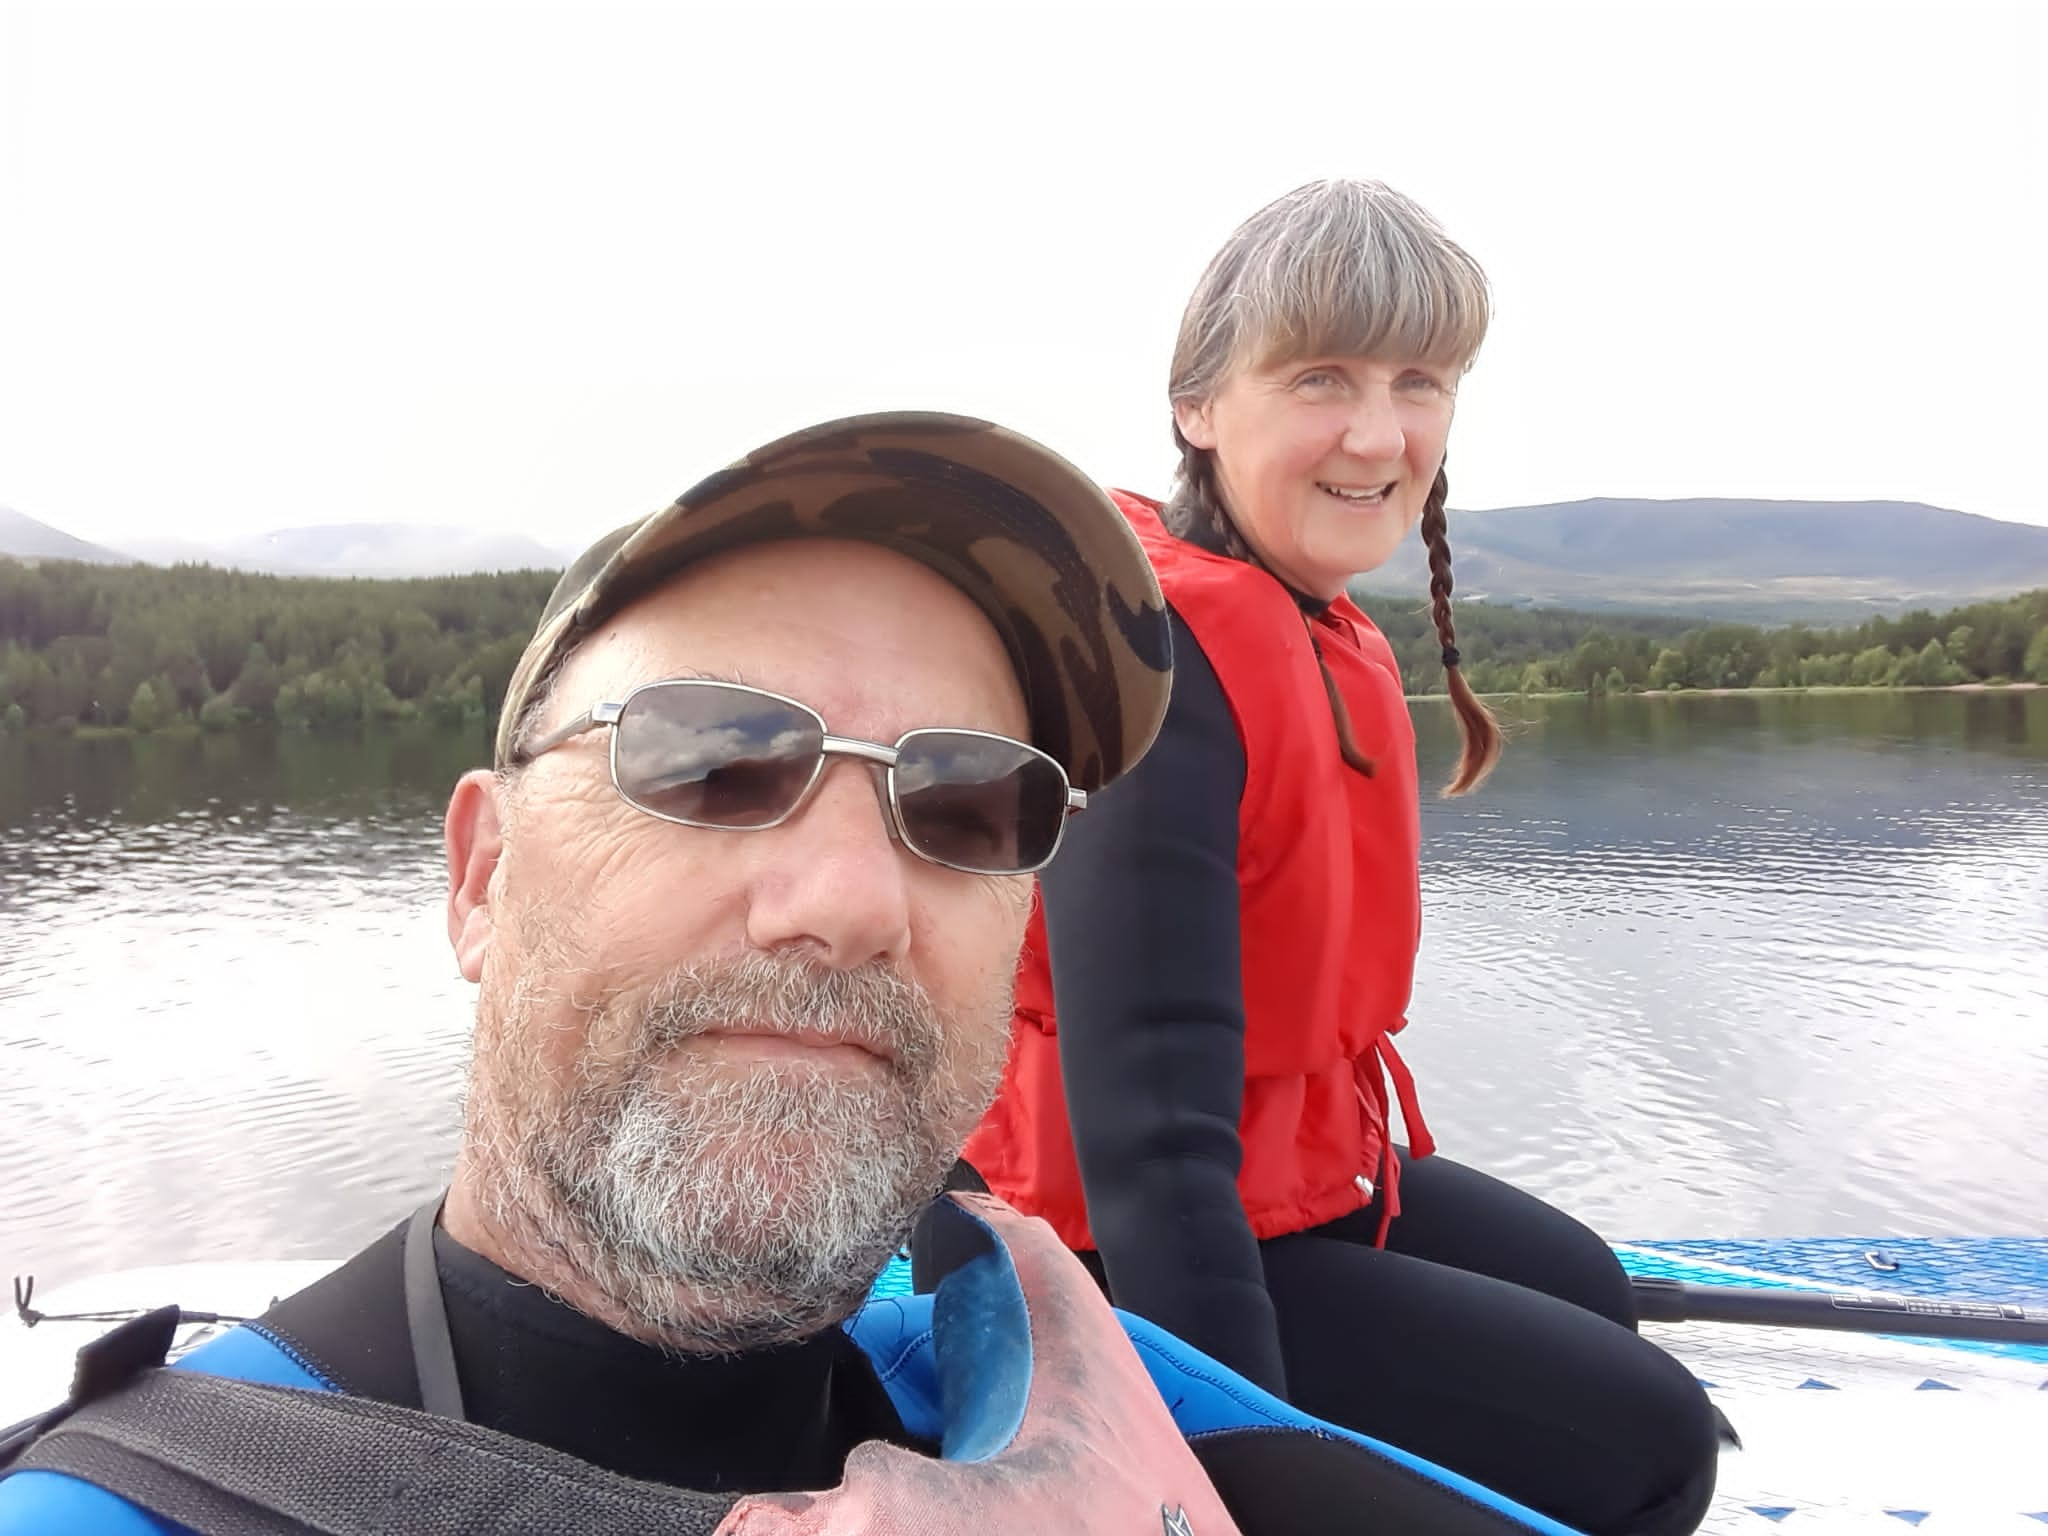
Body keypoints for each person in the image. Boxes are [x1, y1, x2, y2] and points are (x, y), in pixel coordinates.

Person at [0, 411, 1587, 1536]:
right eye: (708, 759)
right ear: (483, 878)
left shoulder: (1026, 1360)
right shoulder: (134, 1508)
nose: (848, 901)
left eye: (966, 801)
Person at [931, 182, 1722, 1536]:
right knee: (1654, 1449)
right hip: (1099, 1247)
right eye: (1320, 378)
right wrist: (1251, 1468)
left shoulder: (1300, 619)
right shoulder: (1164, 666)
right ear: (1197, 405)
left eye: (1420, 380)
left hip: (1283, 1168)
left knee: (1590, 1284)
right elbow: (1147, 1155)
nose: (1378, 432)